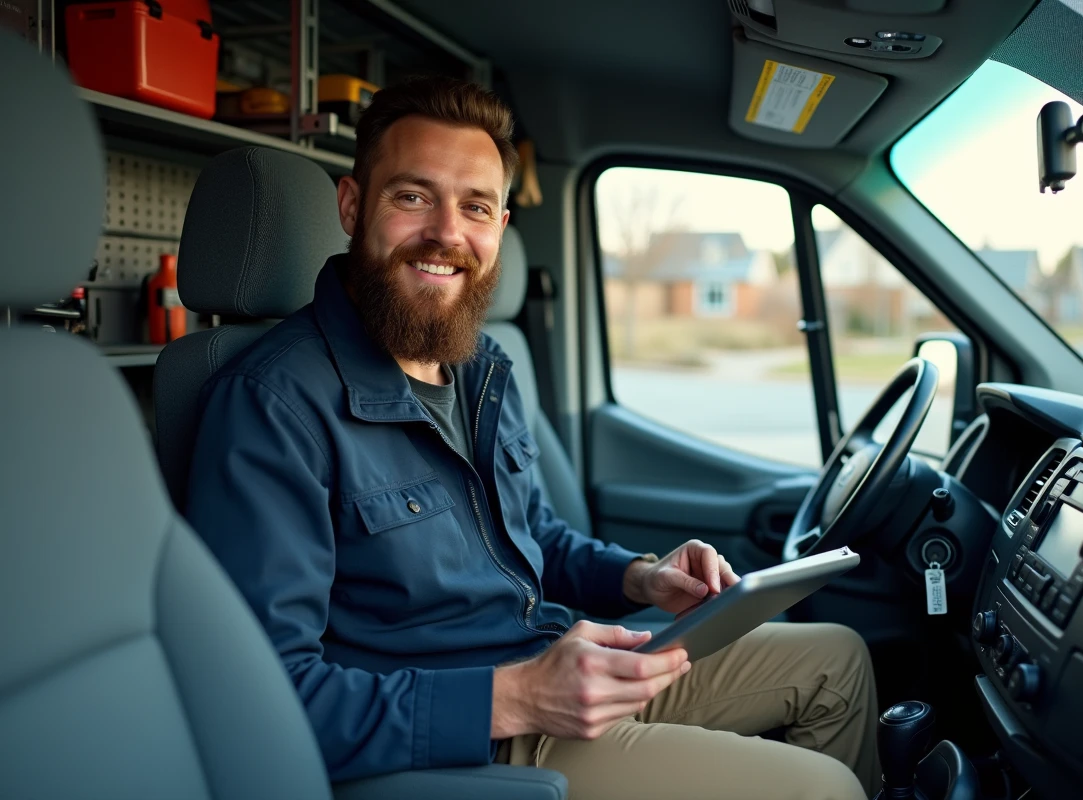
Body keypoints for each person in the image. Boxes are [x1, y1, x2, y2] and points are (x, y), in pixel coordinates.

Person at [186, 74, 881, 800]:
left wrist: (641, 576)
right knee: (821, 789)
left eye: (475, 207)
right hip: (456, 739)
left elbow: (533, 537)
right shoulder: (273, 405)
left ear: (500, 228)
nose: (447, 233)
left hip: (550, 658)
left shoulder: (480, 367)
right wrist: (516, 696)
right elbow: (263, 698)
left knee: (838, 660)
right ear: (354, 206)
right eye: (412, 196)